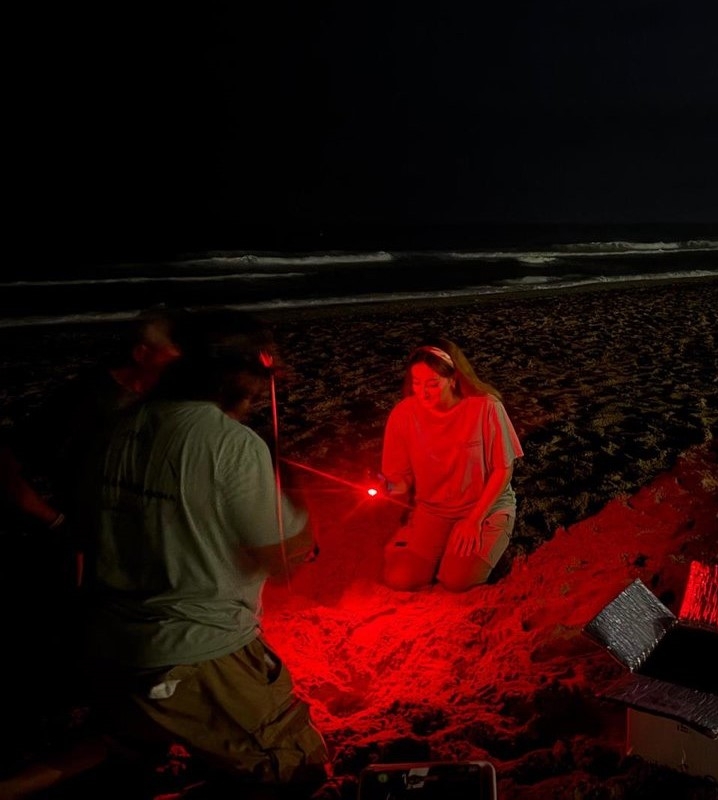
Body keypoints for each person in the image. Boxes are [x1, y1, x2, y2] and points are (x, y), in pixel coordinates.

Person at [25, 308, 330, 798]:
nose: (259, 398)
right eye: (259, 381)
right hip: (189, 652)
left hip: (105, 645)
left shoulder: (113, 427)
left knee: (126, 743)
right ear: (237, 375)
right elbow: (285, 556)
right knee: (297, 768)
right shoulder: (230, 444)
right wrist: (292, 495)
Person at [0, 308, 186, 789]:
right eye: (173, 349)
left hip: (143, 544)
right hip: (91, 546)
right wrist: (57, 522)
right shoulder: (85, 400)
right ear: (142, 353)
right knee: (81, 650)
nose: (182, 357)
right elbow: (8, 462)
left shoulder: (167, 396)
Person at [380, 338, 523, 592]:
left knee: (456, 581)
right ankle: (423, 540)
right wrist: (388, 486)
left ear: (453, 379)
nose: (422, 393)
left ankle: (491, 545)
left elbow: (504, 470)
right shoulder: (403, 415)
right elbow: (401, 480)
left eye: (433, 384)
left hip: (484, 508)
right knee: (401, 579)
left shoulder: (485, 407)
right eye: (416, 383)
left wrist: (474, 520)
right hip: (433, 510)